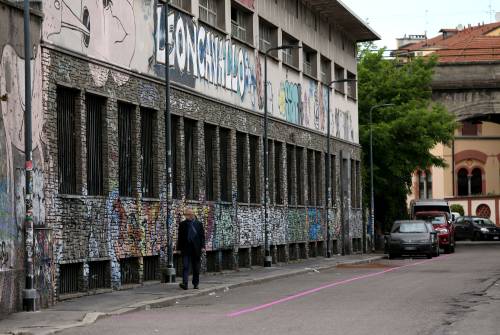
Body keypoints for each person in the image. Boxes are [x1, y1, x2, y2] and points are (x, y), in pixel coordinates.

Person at [177, 208, 205, 290]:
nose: (187, 216)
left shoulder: (198, 224)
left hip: (196, 249)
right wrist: (179, 248)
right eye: (186, 215)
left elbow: (202, 236)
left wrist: (203, 247)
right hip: (186, 248)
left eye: (188, 215)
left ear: (192, 215)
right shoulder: (182, 224)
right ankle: (185, 284)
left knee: (196, 268)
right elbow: (180, 237)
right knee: (185, 266)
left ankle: (195, 283)